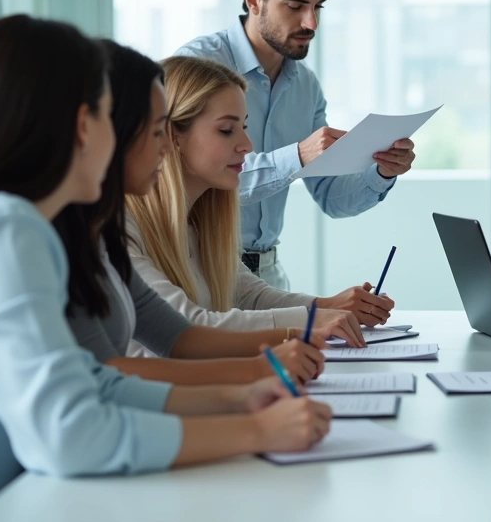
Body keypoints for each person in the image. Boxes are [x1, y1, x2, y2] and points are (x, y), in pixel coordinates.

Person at [0, 16, 331, 522]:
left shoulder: (18, 224)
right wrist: (257, 430)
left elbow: (93, 383)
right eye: (118, 118)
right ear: (83, 125)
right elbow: (72, 434)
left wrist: (240, 397)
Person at [55, 40, 328, 385]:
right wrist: (300, 331)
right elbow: (113, 378)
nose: (166, 146)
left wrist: (311, 321)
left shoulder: (110, 229)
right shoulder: (95, 229)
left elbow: (179, 338)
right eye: (157, 131)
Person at [175, 0, 416, 289]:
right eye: (295, 6)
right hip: (199, 268)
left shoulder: (305, 86)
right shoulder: (198, 66)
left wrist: (380, 171)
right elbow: (190, 173)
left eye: (318, 7)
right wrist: (299, 155)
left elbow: (332, 197)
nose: (311, 23)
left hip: (269, 273)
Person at [127, 56, 394, 352]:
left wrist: (329, 308)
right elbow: (187, 328)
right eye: (226, 130)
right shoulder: (121, 229)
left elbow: (250, 297)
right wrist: (310, 321)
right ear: (172, 136)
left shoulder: (198, 223)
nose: (247, 145)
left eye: (244, 126)